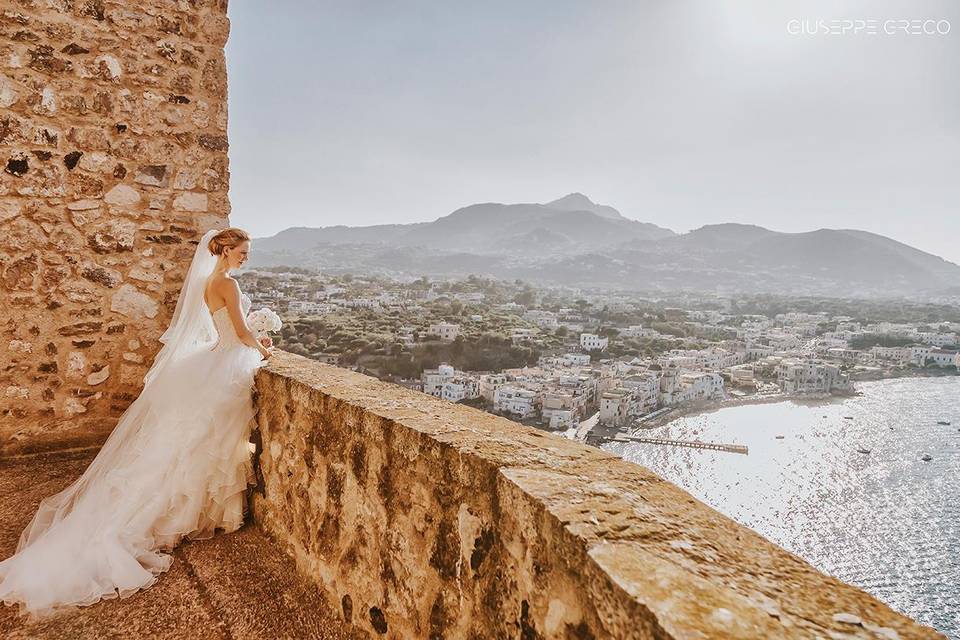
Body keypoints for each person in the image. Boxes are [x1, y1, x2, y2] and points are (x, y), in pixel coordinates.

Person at [0, 227, 273, 620]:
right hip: (228, 363)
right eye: (243, 252)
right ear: (226, 250)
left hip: (217, 359)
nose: (246, 257)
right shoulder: (226, 284)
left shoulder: (208, 282)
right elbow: (242, 332)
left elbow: (223, 331)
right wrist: (263, 349)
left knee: (191, 442)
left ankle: (189, 510)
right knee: (205, 442)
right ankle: (189, 513)